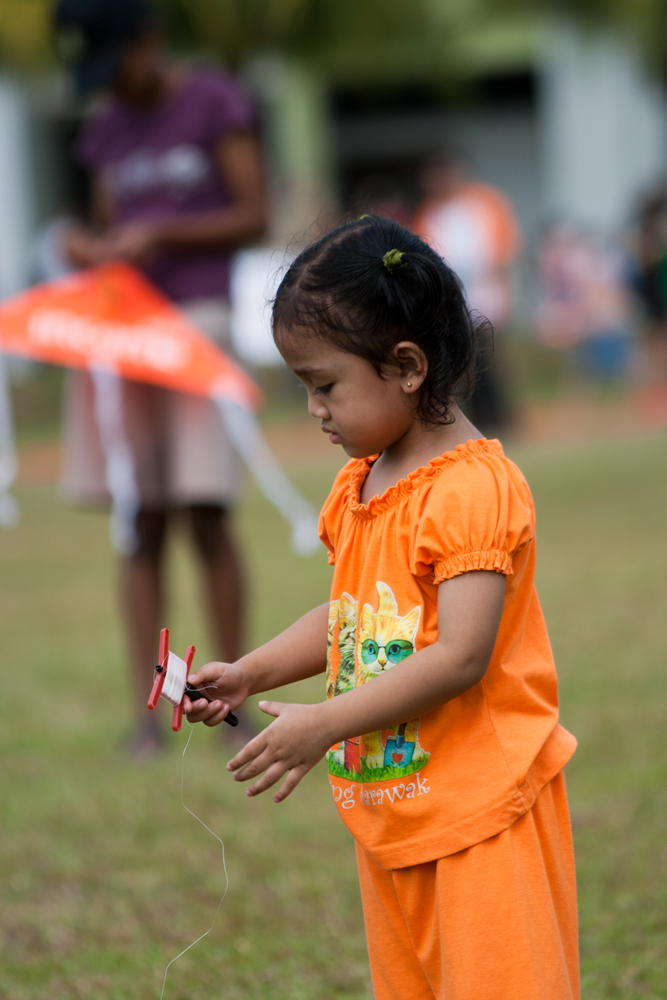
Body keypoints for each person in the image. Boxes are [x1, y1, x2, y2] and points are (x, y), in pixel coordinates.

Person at [183, 216, 580, 999]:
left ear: (404, 366)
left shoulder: (469, 490)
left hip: (478, 815)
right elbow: (353, 614)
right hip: (395, 813)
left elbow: (461, 655)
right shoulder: (361, 483)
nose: (314, 410)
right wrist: (252, 674)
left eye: (324, 385)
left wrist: (324, 724)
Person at [54, 0, 267, 753]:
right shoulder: (105, 124)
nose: (112, 85)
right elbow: (112, 232)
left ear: (149, 39)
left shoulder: (210, 98)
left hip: (196, 325)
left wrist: (165, 231)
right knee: (138, 521)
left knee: (206, 513)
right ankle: (151, 713)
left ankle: (229, 701)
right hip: (127, 331)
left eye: (117, 65)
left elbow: (255, 213)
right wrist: (92, 245)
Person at [413, 151, 522, 431]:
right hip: (454, 297)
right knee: (464, 359)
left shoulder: (484, 202)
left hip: (486, 289)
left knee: (491, 356)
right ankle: (478, 419)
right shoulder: (430, 213)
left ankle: (501, 418)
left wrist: (504, 287)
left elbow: (504, 247)